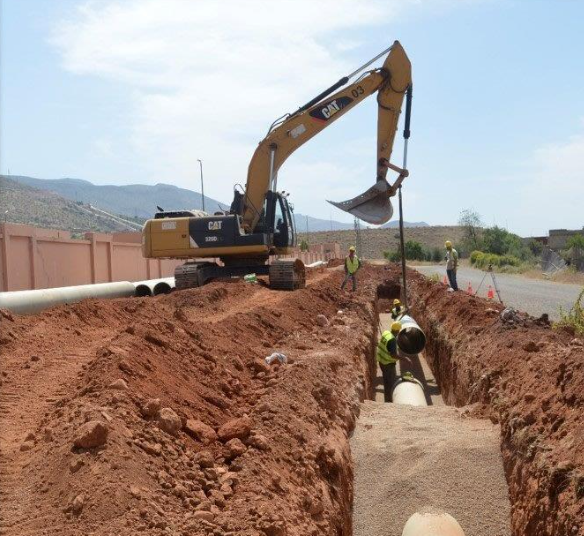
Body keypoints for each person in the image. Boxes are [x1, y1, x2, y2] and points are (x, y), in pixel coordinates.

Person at [376, 321, 402, 402]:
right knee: (391, 384)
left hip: (382, 362)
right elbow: (393, 355)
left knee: (386, 381)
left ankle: (387, 399)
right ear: (397, 331)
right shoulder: (392, 340)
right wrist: (404, 359)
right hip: (388, 364)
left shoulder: (386, 333)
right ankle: (389, 401)